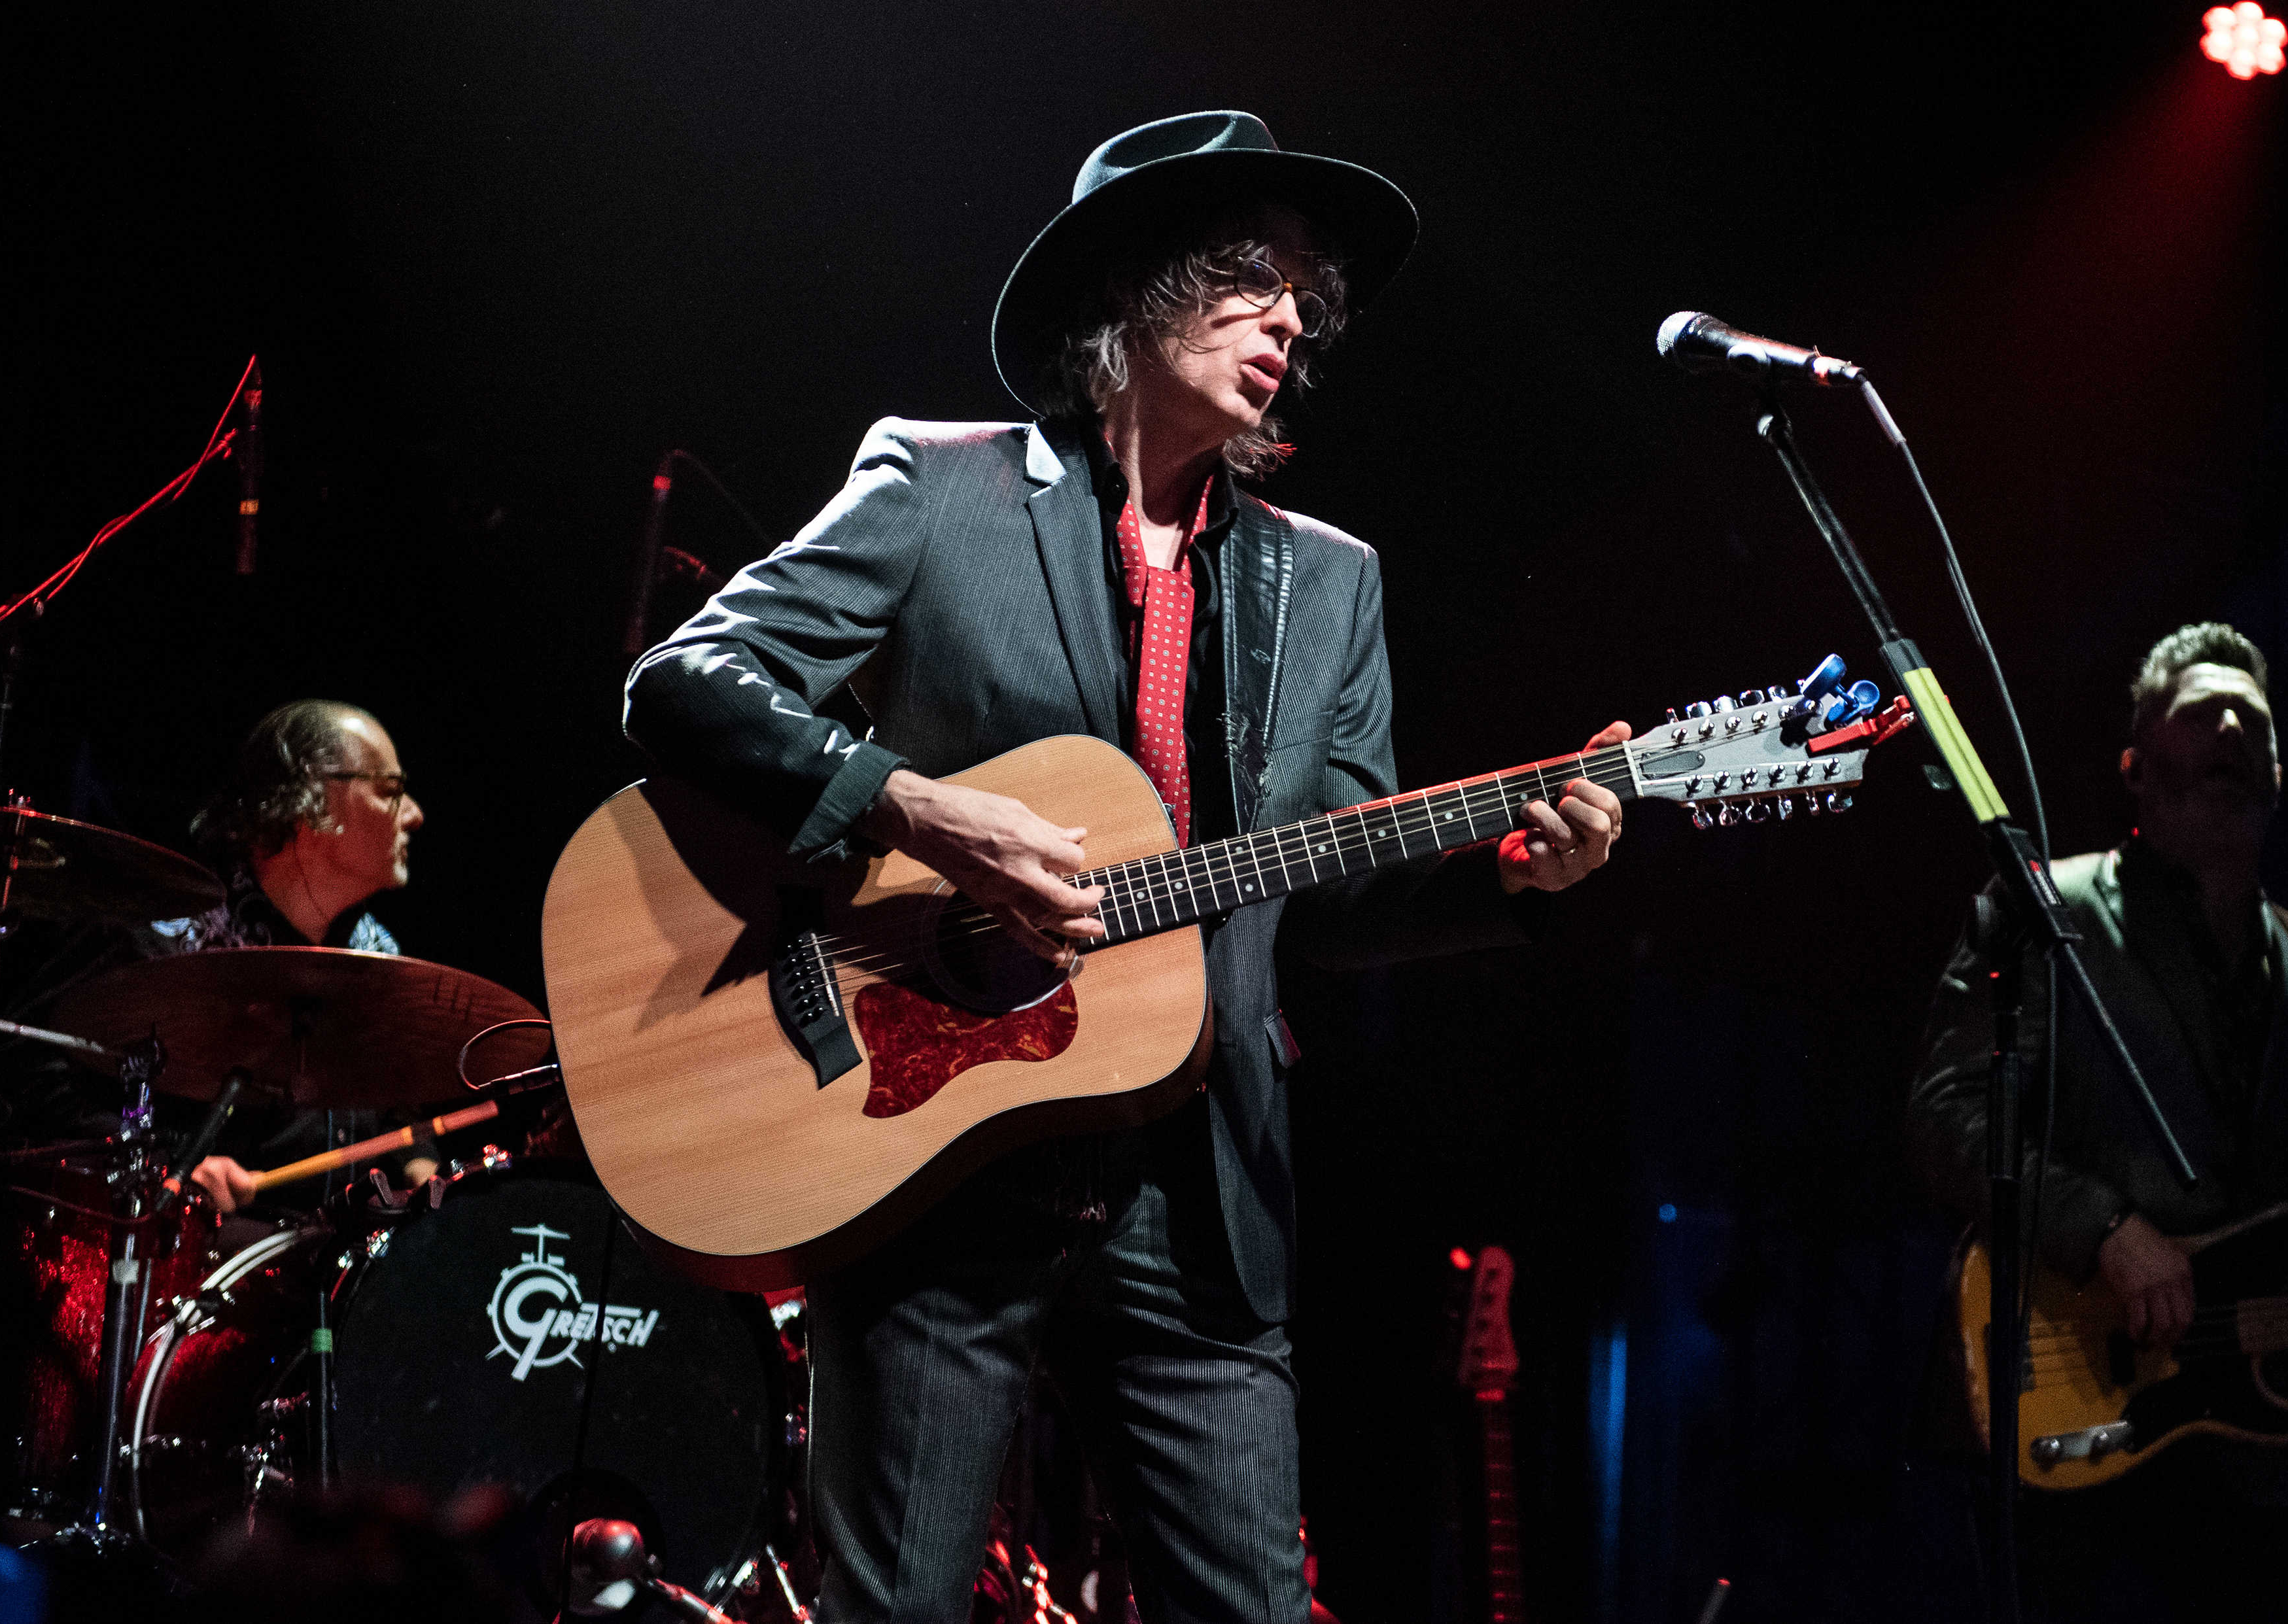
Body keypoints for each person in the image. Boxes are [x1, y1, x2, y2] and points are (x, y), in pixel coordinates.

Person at [623, 111, 1629, 1622]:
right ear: (1130, 288)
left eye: (1304, 295)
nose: (1290, 317)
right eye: (1247, 277)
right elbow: (684, 686)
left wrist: (1510, 875)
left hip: (1197, 1183)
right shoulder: (935, 488)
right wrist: (913, 808)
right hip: (926, 1149)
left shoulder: (1328, 580)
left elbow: (1324, 892)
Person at [1909, 623, 2288, 1623]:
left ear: (2280, 769)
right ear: (2136, 766)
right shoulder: (2048, 910)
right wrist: (2108, 1231)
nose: (2229, 726)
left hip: (2251, 1464)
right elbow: (1949, 1112)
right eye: (2201, 712)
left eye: (2250, 720)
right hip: (2070, 1413)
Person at [162, 699, 434, 1215]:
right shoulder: (176, 932)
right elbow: (46, 1082)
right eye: (391, 792)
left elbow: (402, 1113)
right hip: (211, 1252)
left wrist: (427, 1176)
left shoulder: (377, 952)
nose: (415, 815)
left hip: (336, 1256)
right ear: (314, 802)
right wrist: (171, 1165)